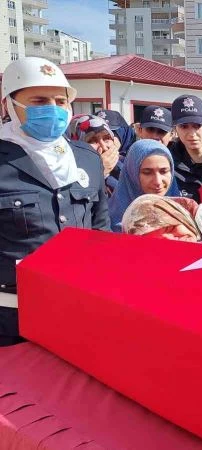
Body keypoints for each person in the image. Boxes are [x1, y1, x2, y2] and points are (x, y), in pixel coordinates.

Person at [0, 57, 109, 345]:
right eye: (39, 101)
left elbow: (101, 232)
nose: (53, 109)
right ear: (8, 106)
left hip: (79, 311)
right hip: (10, 321)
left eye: (60, 101)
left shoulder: (86, 159)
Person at [109, 139, 181, 232]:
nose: (158, 181)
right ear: (132, 174)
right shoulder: (106, 224)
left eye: (163, 171)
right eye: (147, 173)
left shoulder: (185, 216)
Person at [168, 95, 202, 201]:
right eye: (184, 126)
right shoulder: (168, 165)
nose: (192, 134)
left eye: (197, 125)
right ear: (175, 128)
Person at [69, 114, 122, 195]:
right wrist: (99, 171)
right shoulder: (70, 175)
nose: (104, 147)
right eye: (92, 140)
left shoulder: (127, 167)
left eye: (106, 138)